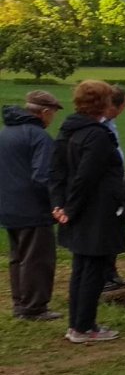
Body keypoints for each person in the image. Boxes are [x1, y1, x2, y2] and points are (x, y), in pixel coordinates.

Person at [51, 80, 125, 343]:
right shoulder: (97, 135)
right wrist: (69, 208)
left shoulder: (69, 128)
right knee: (93, 269)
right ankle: (85, 328)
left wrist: (60, 205)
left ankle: (77, 324)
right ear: (102, 103)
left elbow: (57, 171)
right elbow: (86, 176)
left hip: (78, 209)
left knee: (81, 267)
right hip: (95, 211)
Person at [1, 91, 61, 321]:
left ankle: (20, 304)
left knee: (18, 258)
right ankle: (35, 307)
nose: (52, 117)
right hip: (33, 209)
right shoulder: (39, 137)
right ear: (45, 112)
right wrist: (55, 203)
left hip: (8, 205)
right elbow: (42, 177)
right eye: (53, 112)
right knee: (37, 259)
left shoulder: (7, 132)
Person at [102, 86, 125, 292]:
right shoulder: (99, 126)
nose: (124, 110)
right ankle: (105, 276)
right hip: (106, 188)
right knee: (106, 232)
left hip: (116, 183)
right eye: (123, 106)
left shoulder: (110, 123)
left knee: (116, 231)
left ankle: (111, 273)